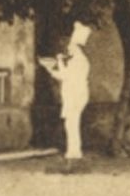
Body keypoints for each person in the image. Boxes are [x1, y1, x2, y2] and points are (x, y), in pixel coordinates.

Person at [38, 21, 92, 160]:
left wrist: (54, 67)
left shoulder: (80, 61)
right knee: (70, 122)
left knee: (72, 122)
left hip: (76, 94)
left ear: (76, 48)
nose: (68, 49)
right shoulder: (77, 60)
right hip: (73, 93)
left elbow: (65, 76)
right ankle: (73, 150)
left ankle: (75, 151)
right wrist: (55, 66)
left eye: (70, 47)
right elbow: (65, 75)